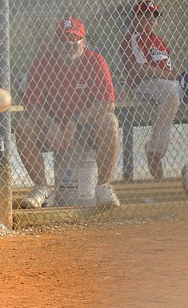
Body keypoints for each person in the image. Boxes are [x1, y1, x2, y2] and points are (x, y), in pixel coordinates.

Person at [18, 17, 121, 209]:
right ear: (55, 43)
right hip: (52, 127)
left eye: (75, 38)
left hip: (86, 126)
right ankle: (43, 190)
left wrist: (75, 121)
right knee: (24, 126)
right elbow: (31, 106)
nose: (69, 43)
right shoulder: (44, 62)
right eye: (64, 39)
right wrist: (50, 124)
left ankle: (102, 186)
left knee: (110, 122)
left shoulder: (95, 61)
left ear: (84, 41)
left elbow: (107, 103)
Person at [121, 0, 181, 180]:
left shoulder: (160, 41)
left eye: (154, 15)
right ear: (136, 18)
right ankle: (155, 150)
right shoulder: (133, 38)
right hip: (142, 85)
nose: (151, 19)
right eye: (146, 15)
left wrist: (176, 78)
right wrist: (172, 77)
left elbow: (169, 70)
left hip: (166, 85)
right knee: (171, 92)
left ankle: (155, 150)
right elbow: (140, 69)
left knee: (172, 92)